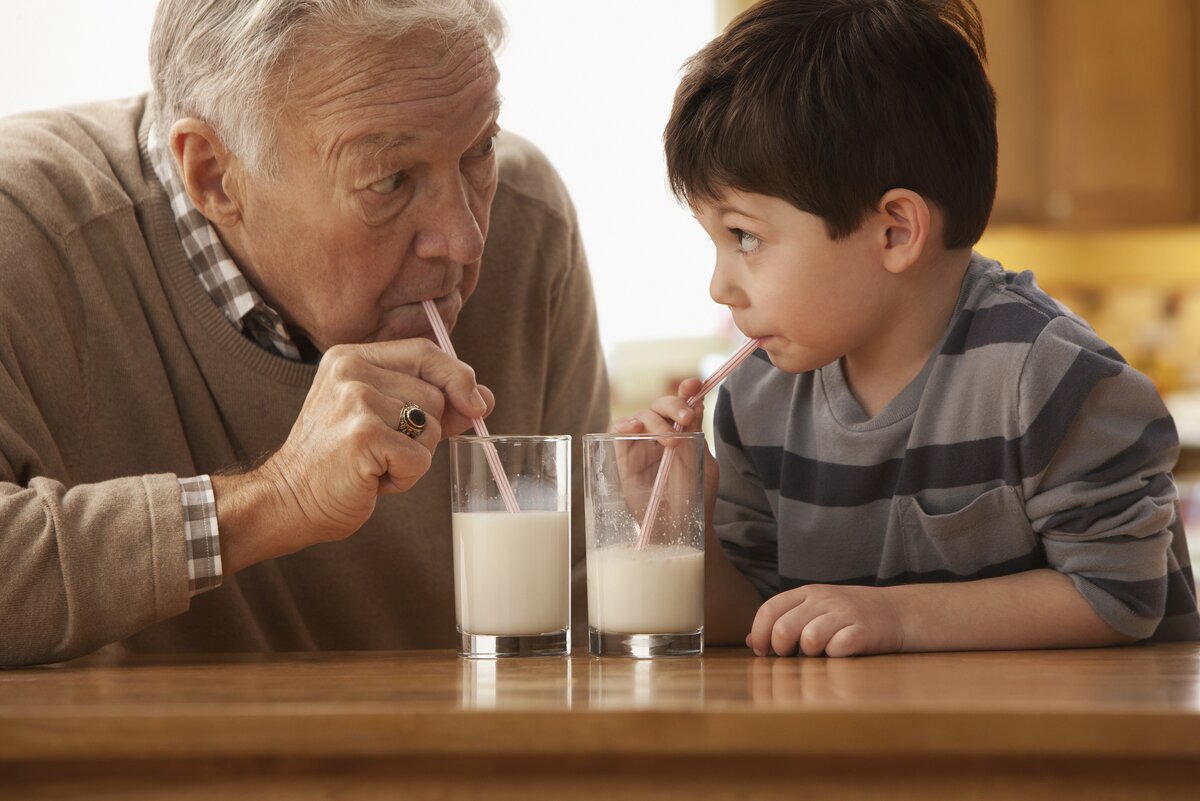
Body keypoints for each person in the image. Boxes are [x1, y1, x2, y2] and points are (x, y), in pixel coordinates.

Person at [0, 0, 608, 666]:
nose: (464, 238)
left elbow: (586, 604)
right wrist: (277, 499)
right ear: (214, 176)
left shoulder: (529, 223)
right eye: (391, 180)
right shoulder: (25, 236)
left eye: (479, 148)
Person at [620, 0, 1200, 657]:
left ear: (896, 231)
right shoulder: (759, 402)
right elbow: (756, 615)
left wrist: (894, 616)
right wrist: (673, 526)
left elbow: (1119, 597)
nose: (719, 286)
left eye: (745, 237)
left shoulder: (1051, 379)